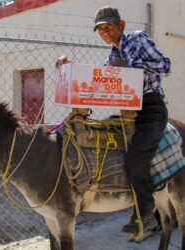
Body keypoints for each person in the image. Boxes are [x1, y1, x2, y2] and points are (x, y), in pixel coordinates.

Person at [56, 6, 171, 234]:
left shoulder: (138, 39)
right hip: (129, 110)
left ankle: (146, 215)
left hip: (150, 109)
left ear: (122, 25)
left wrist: (132, 67)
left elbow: (165, 66)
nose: (105, 33)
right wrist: (69, 66)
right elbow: (99, 82)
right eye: (100, 30)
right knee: (105, 137)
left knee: (137, 156)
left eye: (108, 27)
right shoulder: (112, 55)